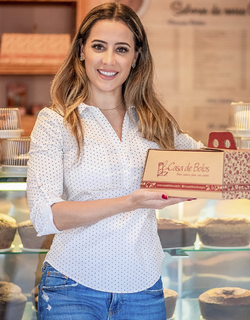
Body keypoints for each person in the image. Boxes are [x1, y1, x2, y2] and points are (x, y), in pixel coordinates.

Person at [27, 2, 203, 320]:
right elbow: (45, 216)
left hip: (145, 291)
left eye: (121, 49)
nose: (109, 60)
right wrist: (132, 201)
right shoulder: (55, 121)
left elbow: (208, 166)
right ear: (81, 51)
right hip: (71, 288)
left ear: (136, 57)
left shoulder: (156, 122)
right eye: (98, 47)